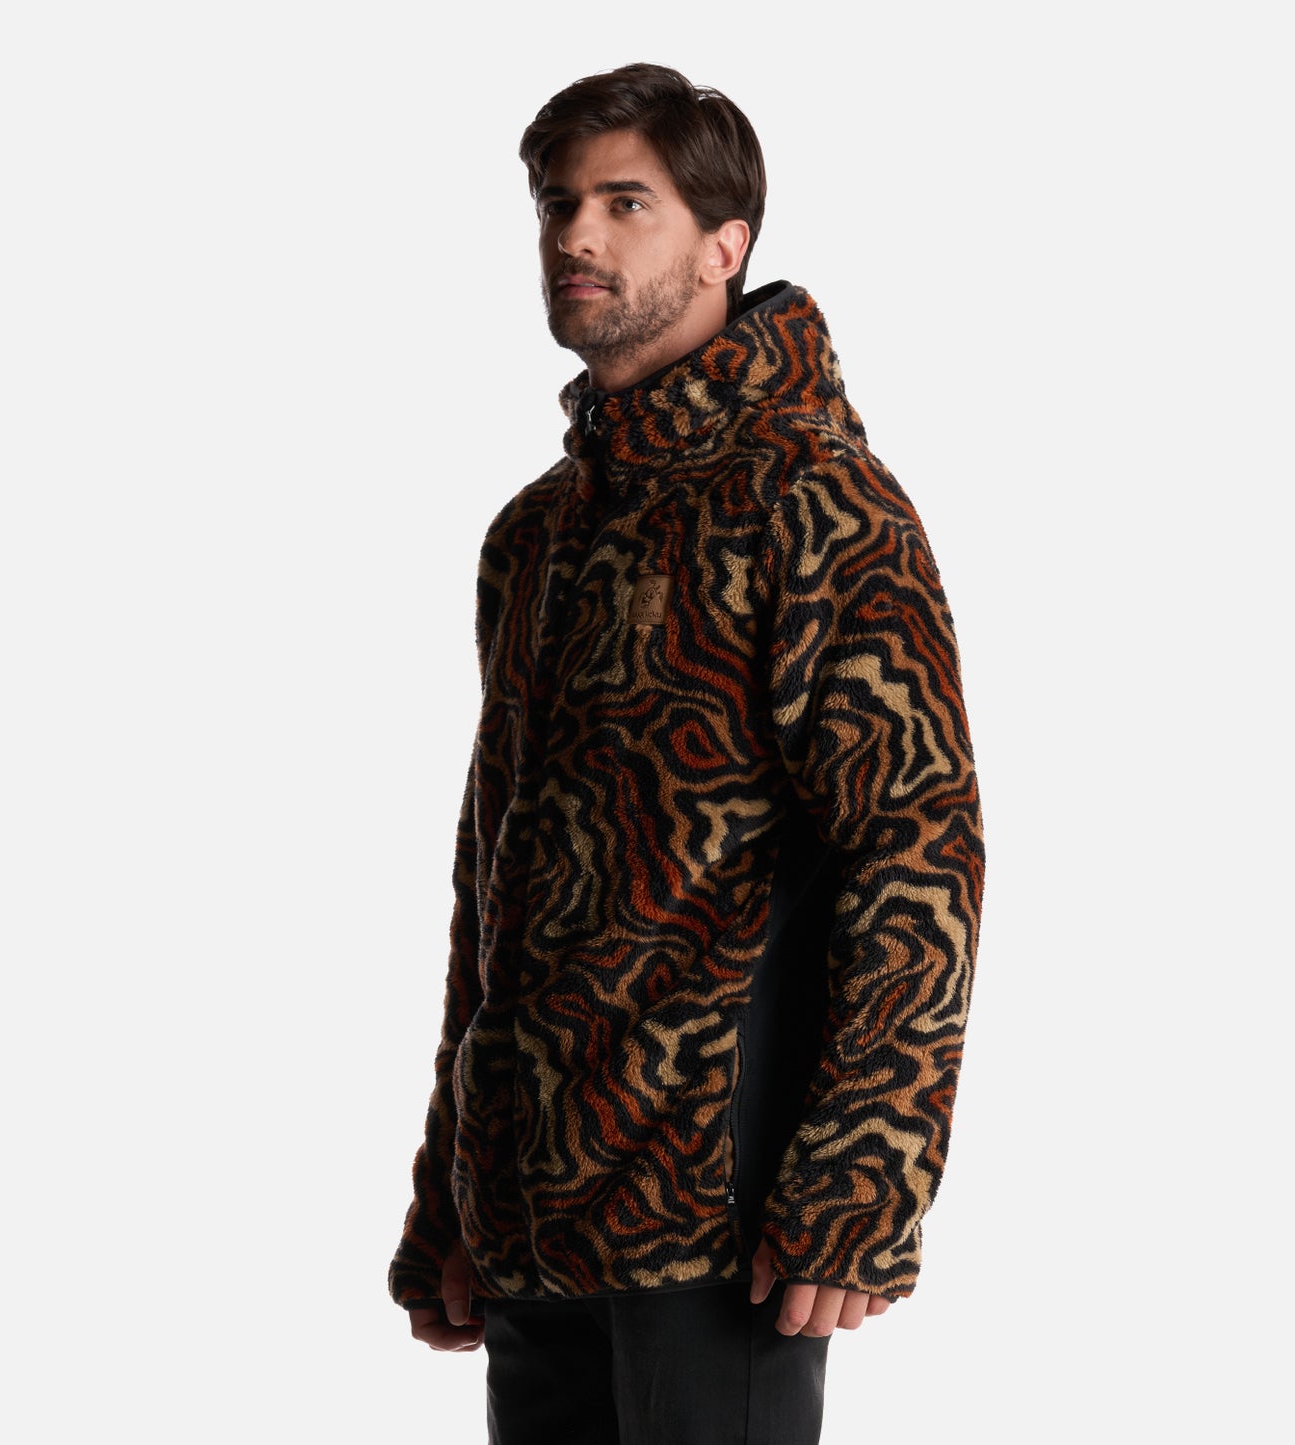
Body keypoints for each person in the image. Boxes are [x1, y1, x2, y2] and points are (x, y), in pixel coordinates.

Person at [389, 62, 986, 1445]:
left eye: (625, 203)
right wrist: (455, 1185)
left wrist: (860, 1181)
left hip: (724, 1223)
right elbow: (495, 888)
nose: (575, 236)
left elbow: (917, 846)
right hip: (536, 1210)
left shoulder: (813, 497)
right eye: (557, 204)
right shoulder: (535, 533)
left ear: (725, 244)